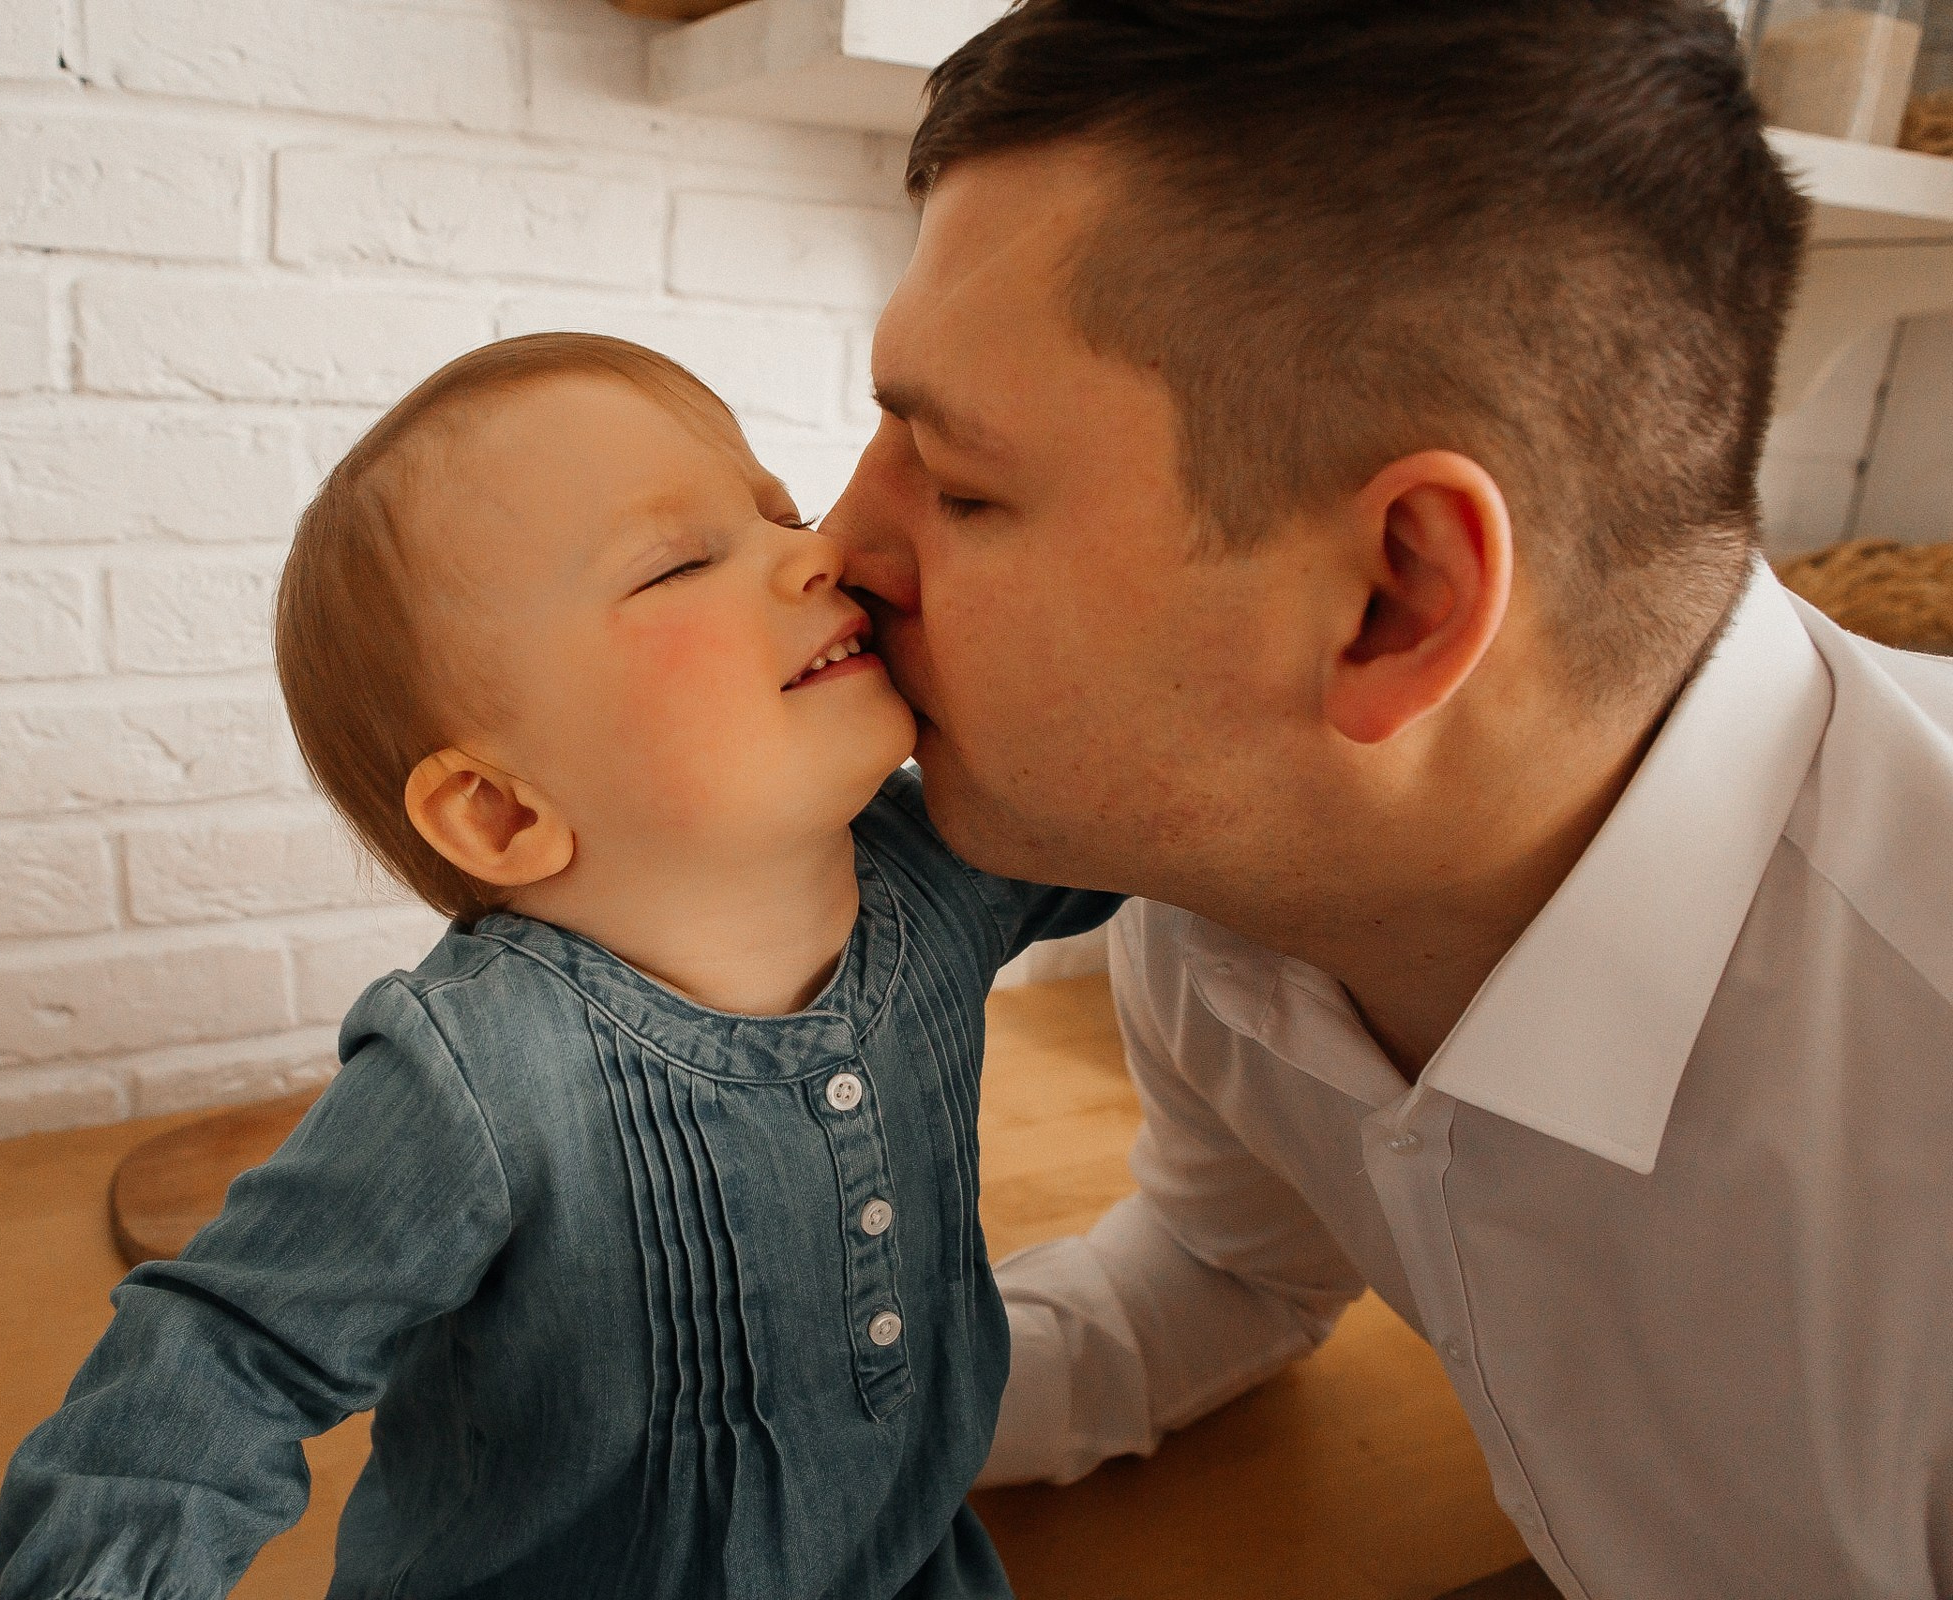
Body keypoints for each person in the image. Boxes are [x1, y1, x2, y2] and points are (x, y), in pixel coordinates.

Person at [820, 2, 1953, 1596]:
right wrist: (811, 1415)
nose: (836, 554)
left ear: (1396, 602)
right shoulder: (1236, 879)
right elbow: (1224, 1263)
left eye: (961, 484)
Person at [0, 334, 1116, 1600]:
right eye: (683, 559)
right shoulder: (478, 1074)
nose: (816, 551)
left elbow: (1172, 810)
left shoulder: (944, 873)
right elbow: (219, 1364)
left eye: (776, 515)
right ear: (501, 814)